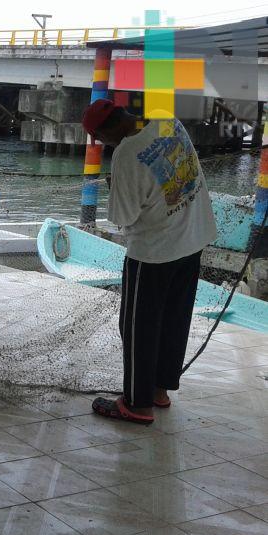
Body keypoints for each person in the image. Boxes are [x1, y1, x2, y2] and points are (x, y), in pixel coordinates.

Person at [81, 99, 217, 425]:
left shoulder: (126, 155)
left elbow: (122, 218)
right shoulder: (166, 119)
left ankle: (136, 403)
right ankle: (158, 391)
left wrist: (116, 186)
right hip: (194, 238)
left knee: (138, 327)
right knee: (173, 320)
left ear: (102, 133)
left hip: (154, 253)